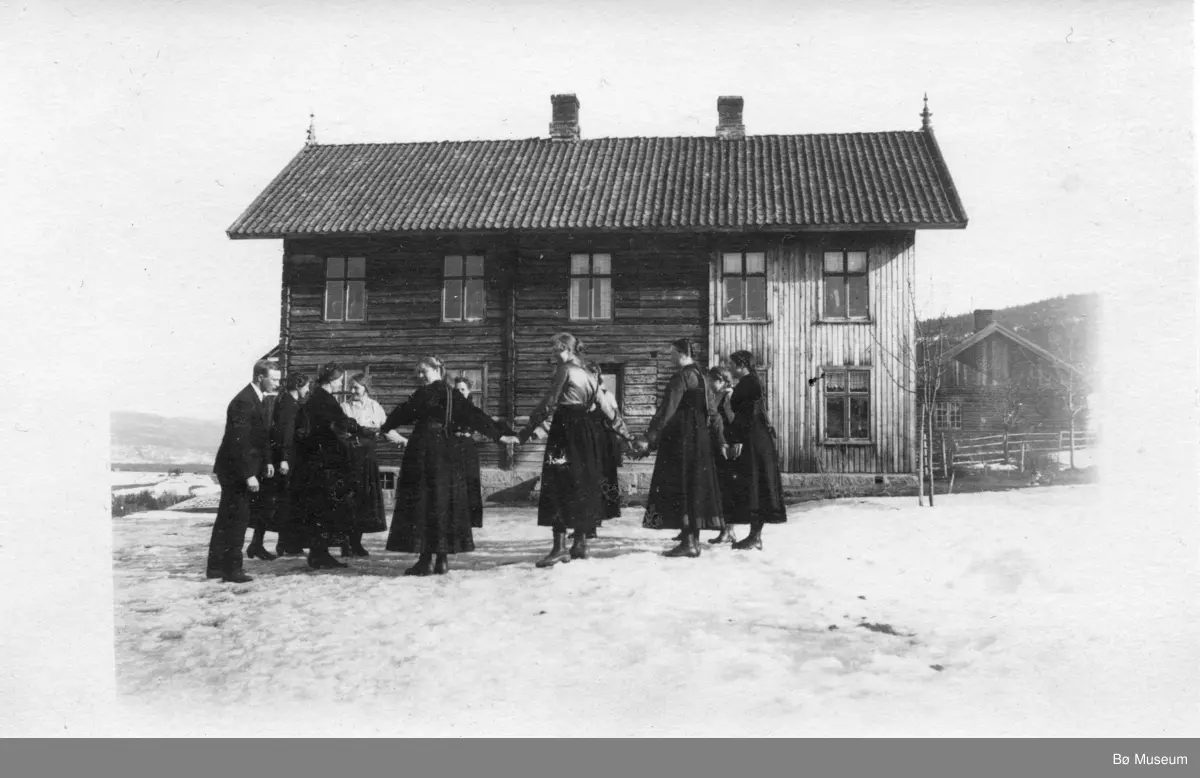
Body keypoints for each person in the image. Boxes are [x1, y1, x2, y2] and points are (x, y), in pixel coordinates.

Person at [381, 357, 519, 576]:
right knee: (443, 502)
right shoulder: (452, 394)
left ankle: (425, 560)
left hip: (423, 449)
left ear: (437, 370)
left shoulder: (423, 393)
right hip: (447, 451)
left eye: (423, 371)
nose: (420, 376)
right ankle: (442, 560)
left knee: (424, 503)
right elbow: (476, 416)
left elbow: (402, 413)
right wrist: (499, 435)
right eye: (417, 372)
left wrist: (387, 425)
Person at [518, 334, 634, 567]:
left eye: (554, 349)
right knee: (582, 484)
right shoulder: (590, 373)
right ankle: (580, 543)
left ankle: (559, 548)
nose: (552, 354)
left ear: (564, 348)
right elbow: (608, 409)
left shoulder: (566, 369)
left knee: (557, 482)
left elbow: (550, 402)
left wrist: (526, 429)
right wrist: (628, 435)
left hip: (564, 433)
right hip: (586, 434)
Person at [635, 338, 727, 558]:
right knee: (693, 488)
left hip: (681, 440)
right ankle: (692, 542)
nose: (670, 358)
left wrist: (650, 436)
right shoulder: (704, 377)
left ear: (680, 353)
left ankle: (689, 543)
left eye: (671, 354)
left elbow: (667, 410)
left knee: (682, 487)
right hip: (700, 441)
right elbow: (713, 414)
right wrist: (720, 439)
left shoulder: (682, 377)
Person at [206, 360, 281, 583]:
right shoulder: (243, 401)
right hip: (236, 470)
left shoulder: (257, 399)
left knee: (228, 518)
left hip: (242, 467)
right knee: (237, 518)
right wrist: (248, 474)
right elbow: (238, 442)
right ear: (260, 377)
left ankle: (216, 567)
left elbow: (260, 436)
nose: (277, 383)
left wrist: (267, 461)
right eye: (274, 379)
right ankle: (232, 569)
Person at [293, 362, 365, 570]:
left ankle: (320, 553)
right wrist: (361, 428)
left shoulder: (315, 398)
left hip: (315, 461)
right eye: (339, 379)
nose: (340, 383)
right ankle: (319, 554)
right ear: (333, 380)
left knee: (321, 508)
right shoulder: (324, 400)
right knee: (324, 507)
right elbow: (340, 423)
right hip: (324, 463)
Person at [725, 351, 787, 550]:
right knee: (754, 486)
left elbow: (749, 414)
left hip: (753, 440)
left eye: (732, 364)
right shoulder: (749, 382)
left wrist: (738, 438)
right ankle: (754, 536)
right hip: (755, 438)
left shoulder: (749, 383)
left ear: (742, 365)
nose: (730, 368)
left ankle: (755, 537)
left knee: (756, 486)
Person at [339, 373, 390, 557]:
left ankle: (356, 543)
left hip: (368, 459)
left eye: (356, 388)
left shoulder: (375, 407)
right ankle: (345, 543)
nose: (352, 391)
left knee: (364, 500)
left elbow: (386, 430)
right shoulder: (344, 407)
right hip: (349, 459)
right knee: (349, 501)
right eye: (351, 387)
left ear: (366, 388)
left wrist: (404, 441)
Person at [584, 361, 632, 538]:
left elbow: (616, 420)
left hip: (603, 443)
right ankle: (588, 523)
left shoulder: (607, 396)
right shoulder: (581, 395)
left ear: (597, 376)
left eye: (592, 375)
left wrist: (625, 440)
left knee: (599, 480)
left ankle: (593, 523)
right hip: (588, 441)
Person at [271, 371, 311, 557]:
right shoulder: (288, 404)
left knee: (290, 500)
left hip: (292, 457)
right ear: (298, 386)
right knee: (288, 500)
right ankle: (285, 544)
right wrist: (284, 458)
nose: (308, 389)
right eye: (306, 386)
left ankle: (287, 543)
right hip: (289, 459)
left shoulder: (290, 402)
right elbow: (284, 434)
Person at [246, 388, 281, 561]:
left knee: (266, 506)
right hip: (270, 465)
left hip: (265, 463)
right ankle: (257, 545)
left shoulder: (263, 407)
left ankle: (256, 544)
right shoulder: (272, 405)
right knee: (268, 506)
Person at [707, 366, 740, 545]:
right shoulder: (717, 396)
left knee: (728, 488)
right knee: (721, 489)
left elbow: (734, 421)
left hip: (727, 448)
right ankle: (725, 530)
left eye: (710, 380)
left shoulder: (728, 396)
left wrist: (730, 443)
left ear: (719, 380)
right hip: (719, 447)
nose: (708, 383)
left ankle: (729, 530)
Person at [450, 376, 485, 531]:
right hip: (452, 445)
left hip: (468, 447)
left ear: (468, 391)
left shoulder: (473, 408)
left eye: (462, 389)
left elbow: (484, 426)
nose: (459, 392)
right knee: (453, 482)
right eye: (456, 390)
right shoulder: (448, 408)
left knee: (471, 481)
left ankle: (473, 520)